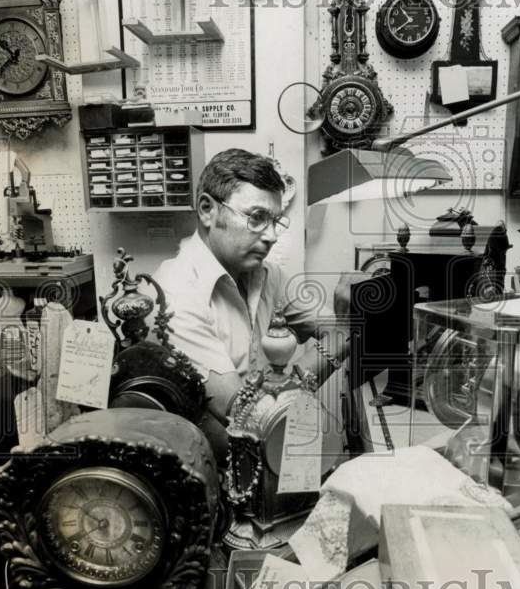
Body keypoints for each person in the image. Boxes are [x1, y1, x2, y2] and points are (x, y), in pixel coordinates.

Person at [153, 148, 363, 430]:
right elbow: (249, 414)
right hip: (210, 463)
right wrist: (342, 336)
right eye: (257, 217)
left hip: (259, 450)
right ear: (207, 210)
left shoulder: (266, 274)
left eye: (275, 221)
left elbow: (334, 325)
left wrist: (354, 313)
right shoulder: (174, 294)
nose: (272, 236)